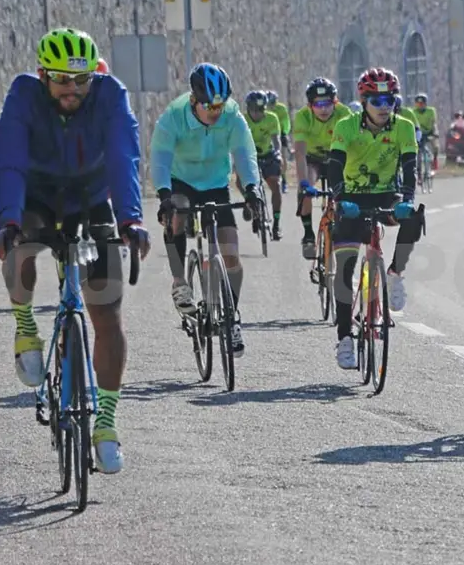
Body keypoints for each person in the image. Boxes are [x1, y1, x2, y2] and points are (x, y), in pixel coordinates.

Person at [0, 27, 150, 475]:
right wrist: (9, 220)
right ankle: (25, 328)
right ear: (43, 75)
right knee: (19, 248)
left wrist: (131, 220)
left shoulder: (109, 94)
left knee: (107, 314)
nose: (73, 91)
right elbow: (9, 158)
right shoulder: (24, 95)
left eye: (81, 81)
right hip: (38, 195)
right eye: (62, 80)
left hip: (91, 197)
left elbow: (123, 157)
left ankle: (105, 421)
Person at [150, 63, 262, 357]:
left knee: (231, 254)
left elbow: (245, 155)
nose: (216, 111)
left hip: (215, 183)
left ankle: (230, 317)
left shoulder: (232, 116)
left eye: (220, 105)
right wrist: (164, 195)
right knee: (178, 215)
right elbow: (160, 159)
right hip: (180, 180)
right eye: (209, 106)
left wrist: (252, 190)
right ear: (193, 101)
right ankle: (179, 282)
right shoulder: (173, 117)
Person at [326, 68, 422, 369]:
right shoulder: (346, 126)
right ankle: (344, 338)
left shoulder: (404, 127)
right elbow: (334, 167)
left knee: (414, 217)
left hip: (385, 194)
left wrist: (406, 201)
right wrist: (341, 199)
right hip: (352, 197)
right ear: (364, 101)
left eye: (390, 100)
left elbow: (410, 168)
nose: (384, 106)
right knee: (345, 266)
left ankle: (394, 274)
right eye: (377, 100)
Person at [293, 77, 353, 259]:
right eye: (318, 105)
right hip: (314, 159)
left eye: (327, 104)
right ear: (310, 105)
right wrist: (303, 182)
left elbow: (354, 146)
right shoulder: (303, 117)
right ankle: (308, 234)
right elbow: (300, 153)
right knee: (306, 186)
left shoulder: (345, 113)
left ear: (335, 102)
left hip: (338, 158)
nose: (324, 109)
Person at [243, 90, 284, 240]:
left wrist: (278, 153)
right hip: (248, 156)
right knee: (240, 181)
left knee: (276, 185)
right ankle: (250, 203)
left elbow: (276, 140)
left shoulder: (272, 118)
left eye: (260, 109)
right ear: (248, 109)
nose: (257, 113)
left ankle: (276, 223)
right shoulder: (243, 120)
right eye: (253, 110)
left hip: (267, 154)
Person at [412, 93, 440, 174]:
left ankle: (435, 159)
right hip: (418, 133)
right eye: (418, 103)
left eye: (422, 103)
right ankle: (419, 172)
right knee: (418, 152)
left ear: (425, 104)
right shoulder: (413, 112)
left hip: (429, 132)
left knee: (435, 145)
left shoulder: (431, 111)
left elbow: (434, 123)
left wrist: (435, 133)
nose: (420, 105)